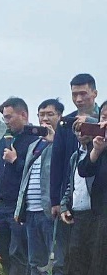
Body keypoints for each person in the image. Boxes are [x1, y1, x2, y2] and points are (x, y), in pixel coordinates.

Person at [15, 99, 64, 275]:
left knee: (55, 260)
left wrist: (55, 142)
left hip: (50, 210)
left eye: (50, 114)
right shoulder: (33, 145)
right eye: (41, 114)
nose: (44, 118)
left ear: (60, 117)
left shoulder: (64, 141)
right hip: (32, 210)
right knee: (35, 260)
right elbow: (25, 178)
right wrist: (20, 208)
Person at [0, 97, 37, 275]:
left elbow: (32, 173)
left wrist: (15, 160)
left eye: (9, 117)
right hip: (3, 202)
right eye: (4, 118)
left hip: (21, 203)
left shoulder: (34, 142)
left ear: (23, 115)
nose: (6, 121)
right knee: (3, 249)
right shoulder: (3, 142)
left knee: (19, 249)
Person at [50, 74, 98, 217]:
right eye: (74, 95)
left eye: (83, 94)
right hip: (71, 199)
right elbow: (57, 163)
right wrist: (55, 201)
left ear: (95, 93)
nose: (78, 99)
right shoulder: (65, 124)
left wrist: (92, 123)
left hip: (99, 197)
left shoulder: (103, 119)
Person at [77, 107, 107, 275]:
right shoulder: (100, 146)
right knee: (98, 264)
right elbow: (84, 169)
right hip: (101, 214)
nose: (105, 123)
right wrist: (96, 150)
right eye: (103, 118)